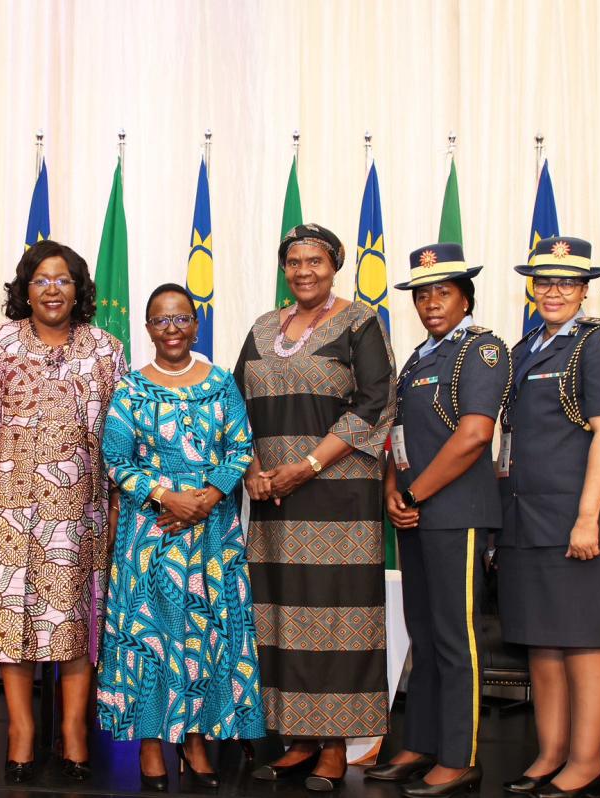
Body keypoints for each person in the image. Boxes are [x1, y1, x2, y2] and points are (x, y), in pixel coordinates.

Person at [0, 240, 127, 783]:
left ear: (80, 291)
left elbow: (123, 439)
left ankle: (73, 731)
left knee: (77, 625)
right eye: (42, 279)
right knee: (13, 624)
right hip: (9, 512)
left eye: (64, 279)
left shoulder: (105, 349)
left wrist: (119, 508)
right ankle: (22, 731)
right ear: (25, 289)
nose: (53, 289)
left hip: (82, 515)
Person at [235, 223, 397, 792]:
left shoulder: (360, 323)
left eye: (315, 261)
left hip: (337, 496)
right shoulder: (260, 328)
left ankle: (334, 742)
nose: (304, 271)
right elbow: (236, 405)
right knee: (280, 614)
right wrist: (253, 470)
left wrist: (307, 465)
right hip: (274, 498)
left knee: (335, 617)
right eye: (294, 261)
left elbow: (377, 403)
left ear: (336, 265)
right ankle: (297, 736)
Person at [97, 283, 266, 791]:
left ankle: (195, 741)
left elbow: (241, 447)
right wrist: (168, 498)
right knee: (154, 636)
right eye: (161, 320)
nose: (172, 328)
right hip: (150, 532)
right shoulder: (130, 388)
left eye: (182, 318)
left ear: (196, 324)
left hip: (213, 532)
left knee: (208, 637)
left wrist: (207, 499)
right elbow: (115, 460)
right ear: (148, 329)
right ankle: (151, 742)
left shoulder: (219, 383)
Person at [499, 237, 600, 798]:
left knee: (586, 642)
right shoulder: (526, 345)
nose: (553, 291)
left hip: (581, 516)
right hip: (526, 516)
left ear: (584, 289)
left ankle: (586, 761)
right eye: (544, 281)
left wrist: (588, 518)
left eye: (566, 282)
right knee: (543, 644)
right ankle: (550, 753)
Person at [372, 244, 508, 797]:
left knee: (457, 639)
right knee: (425, 637)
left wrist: (416, 492)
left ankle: (460, 756)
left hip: (456, 514)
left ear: (466, 298)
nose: (430, 302)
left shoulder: (482, 350)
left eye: (442, 292)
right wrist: (392, 491)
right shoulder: (420, 356)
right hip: (415, 514)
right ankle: (421, 742)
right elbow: (397, 436)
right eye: (422, 293)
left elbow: (475, 434)